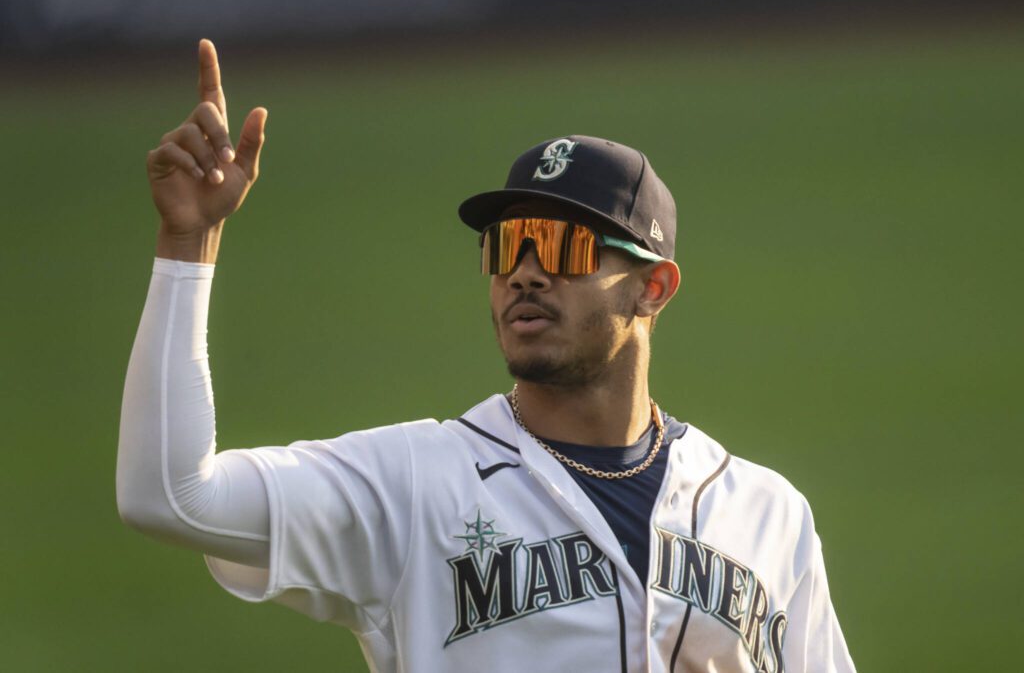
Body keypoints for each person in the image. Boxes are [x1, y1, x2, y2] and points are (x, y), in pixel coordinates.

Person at [117, 39, 856, 673]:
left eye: (563, 246)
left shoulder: (767, 514)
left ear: (652, 288)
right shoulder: (412, 487)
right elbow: (169, 494)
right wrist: (189, 244)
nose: (526, 272)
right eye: (507, 245)